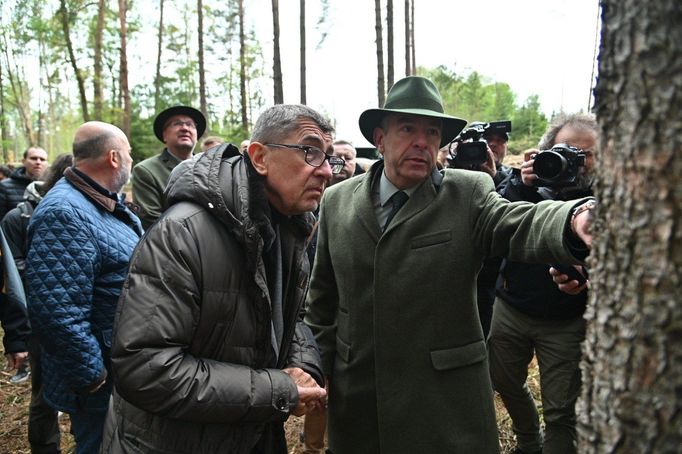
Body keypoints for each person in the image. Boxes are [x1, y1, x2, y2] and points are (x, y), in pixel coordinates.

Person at [304, 76, 594, 454]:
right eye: (408, 129)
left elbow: (518, 222)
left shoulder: (468, 192)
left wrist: (575, 219)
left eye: (433, 132)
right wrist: (317, 366)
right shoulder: (338, 201)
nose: (422, 142)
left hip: (444, 402)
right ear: (379, 138)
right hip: (360, 395)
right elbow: (322, 298)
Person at [101, 104, 341, 453]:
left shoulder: (288, 227)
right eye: (310, 152)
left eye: (328, 158)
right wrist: (277, 390)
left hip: (250, 433)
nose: (326, 172)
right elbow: (145, 367)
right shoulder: (182, 233)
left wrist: (303, 365)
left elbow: (290, 316)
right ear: (259, 157)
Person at [25, 122, 142, 453]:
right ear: (114, 157)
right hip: (99, 377)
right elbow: (56, 311)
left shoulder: (99, 202)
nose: (132, 161)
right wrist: (93, 377)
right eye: (130, 154)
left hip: (119, 364)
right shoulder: (64, 212)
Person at [487, 113, 598, 454]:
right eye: (566, 151)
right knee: (502, 379)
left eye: (587, 154)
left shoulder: (607, 198)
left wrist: (589, 278)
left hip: (566, 321)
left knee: (561, 410)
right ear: (546, 150)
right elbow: (494, 223)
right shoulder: (527, 185)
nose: (576, 162)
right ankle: (528, 439)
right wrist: (522, 182)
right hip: (511, 306)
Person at [2, 153, 73, 453]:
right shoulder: (17, 217)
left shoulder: (82, 212)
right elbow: (11, 279)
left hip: (79, 317)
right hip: (39, 319)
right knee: (44, 394)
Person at [131, 105, 206, 229]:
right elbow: (153, 221)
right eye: (177, 124)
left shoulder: (211, 168)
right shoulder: (146, 170)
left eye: (190, 124)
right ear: (164, 135)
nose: (185, 128)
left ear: (196, 135)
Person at [0, 147, 49, 219]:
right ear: (23, 161)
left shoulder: (53, 187)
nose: (38, 162)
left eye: (42, 159)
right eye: (33, 158)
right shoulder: (5, 186)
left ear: (47, 163)